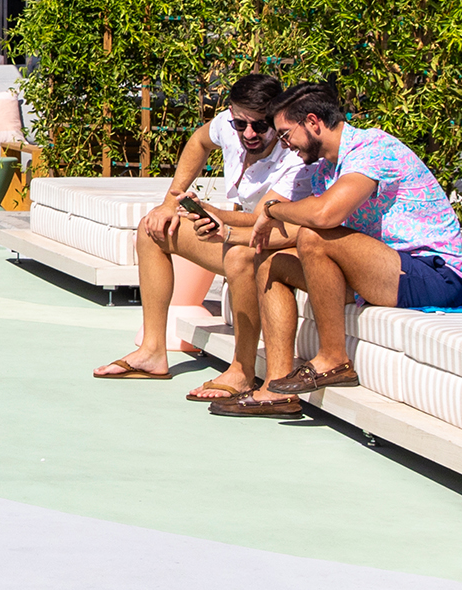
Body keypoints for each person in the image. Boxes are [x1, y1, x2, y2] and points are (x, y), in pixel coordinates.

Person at [210, 83, 462, 418]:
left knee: (314, 237)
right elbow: (296, 228)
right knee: (271, 262)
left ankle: (334, 359)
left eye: (287, 134)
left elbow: (324, 216)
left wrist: (272, 209)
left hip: (433, 274)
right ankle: (274, 388)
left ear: (313, 122)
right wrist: (230, 232)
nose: (285, 145)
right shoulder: (324, 169)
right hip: (381, 269)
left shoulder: (373, 149)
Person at [90, 73, 306, 402]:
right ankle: (152, 352)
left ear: (277, 119)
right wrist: (171, 201)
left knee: (240, 256)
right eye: (240, 124)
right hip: (236, 229)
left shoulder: (293, 158)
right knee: (153, 229)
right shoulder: (229, 125)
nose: (248, 134)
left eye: (260, 126)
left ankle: (243, 370)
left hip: (276, 240)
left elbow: (261, 219)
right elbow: (200, 141)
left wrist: (211, 213)